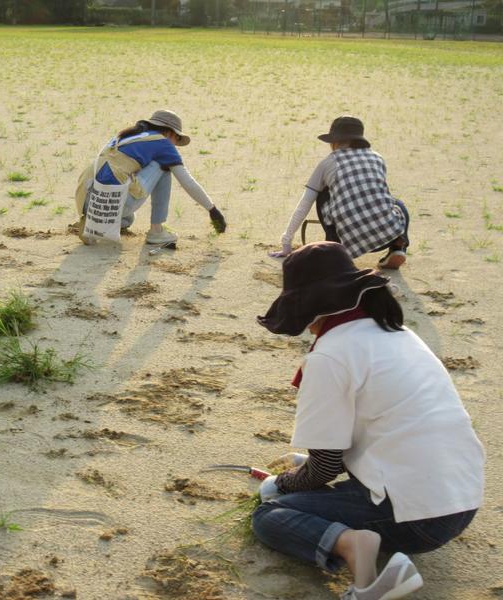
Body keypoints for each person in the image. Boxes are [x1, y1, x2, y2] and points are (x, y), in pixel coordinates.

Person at [253, 242, 484, 600]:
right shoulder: (400, 335)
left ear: (311, 309)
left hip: (419, 518)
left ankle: (354, 549)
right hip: (462, 498)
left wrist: (282, 484)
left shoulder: (330, 356)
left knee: (270, 516)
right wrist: (309, 466)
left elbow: (325, 467)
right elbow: (387, 428)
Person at [269, 117, 409, 269]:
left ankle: (334, 250)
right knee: (397, 203)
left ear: (334, 141)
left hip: (349, 241)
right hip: (387, 234)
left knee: (322, 195)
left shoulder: (327, 163)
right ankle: (397, 246)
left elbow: (304, 204)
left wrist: (286, 241)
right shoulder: (377, 158)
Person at [74, 109, 226, 245]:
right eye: (177, 139)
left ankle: (92, 223)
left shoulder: (131, 136)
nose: (175, 144)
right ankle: (156, 230)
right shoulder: (163, 143)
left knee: (128, 219)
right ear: (170, 133)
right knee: (164, 166)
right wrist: (212, 209)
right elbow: (187, 182)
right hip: (111, 202)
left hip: (89, 201)